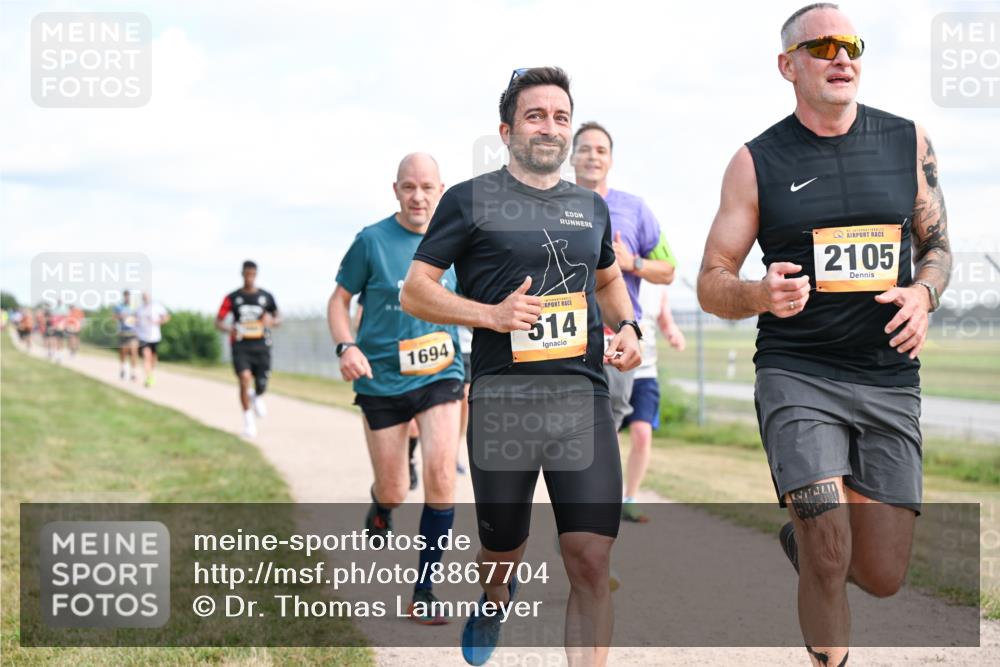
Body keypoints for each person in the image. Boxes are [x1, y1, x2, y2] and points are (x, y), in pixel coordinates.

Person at [696, 5, 951, 665]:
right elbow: (710, 280)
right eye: (822, 47)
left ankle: (802, 541)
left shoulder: (908, 141)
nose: (842, 57)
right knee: (831, 546)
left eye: (852, 45)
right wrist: (759, 293)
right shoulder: (756, 162)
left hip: (889, 375)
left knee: (884, 573)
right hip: (798, 372)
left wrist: (925, 294)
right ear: (789, 65)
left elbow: (939, 247)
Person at [401, 67, 640, 667]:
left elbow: (608, 278)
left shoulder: (589, 207)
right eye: (536, 115)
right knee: (502, 546)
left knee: (589, 557)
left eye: (561, 116)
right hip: (504, 401)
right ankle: (494, 592)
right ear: (507, 129)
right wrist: (490, 314)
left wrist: (629, 325)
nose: (550, 127)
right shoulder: (469, 199)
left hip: (582, 400)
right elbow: (416, 290)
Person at [328, 152, 465, 625]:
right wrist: (346, 346)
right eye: (409, 187)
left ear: (440, 190)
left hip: (440, 374)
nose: (419, 196)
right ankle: (382, 503)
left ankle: (424, 590)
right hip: (381, 379)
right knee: (395, 488)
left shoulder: (454, 241)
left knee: (442, 476)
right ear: (396, 190)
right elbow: (338, 301)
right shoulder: (371, 241)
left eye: (428, 187)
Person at [570, 121, 679, 523]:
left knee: (604, 435)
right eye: (585, 149)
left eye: (601, 150)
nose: (593, 156)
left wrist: (631, 262)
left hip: (616, 339)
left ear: (610, 160)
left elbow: (668, 269)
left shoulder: (635, 209)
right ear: (572, 156)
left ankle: (586, 529)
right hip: (564, 339)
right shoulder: (552, 203)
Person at [617, 286, 686, 523]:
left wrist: (672, 332)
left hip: (644, 374)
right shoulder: (614, 275)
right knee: (607, 437)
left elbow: (664, 318)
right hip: (613, 371)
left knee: (642, 433)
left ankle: (630, 499)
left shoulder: (658, 284)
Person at [216, 261, 280, 437]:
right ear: (242, 274)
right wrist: (230, 329)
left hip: (262, 345)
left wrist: (272, 321)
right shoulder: (232, 297)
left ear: (256, 274)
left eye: (253, 274)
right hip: (240, 345)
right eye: (247, 274)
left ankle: (257, 395)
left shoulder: (266, 297)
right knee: (244, 378)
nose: (250, 277)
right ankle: (248, 422)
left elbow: (278, 318)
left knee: (261, 384)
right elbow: (218, 321)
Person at [136, 292, 170, 388]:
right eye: (143, 297)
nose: (145, 298)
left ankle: (151, 371)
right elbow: (135, 320)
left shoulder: (157, 307)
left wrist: (158, 321)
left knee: (153, 359)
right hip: (143, 337)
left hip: (155, 337)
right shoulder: (139, 309)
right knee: (146, 357)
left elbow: (167, 317)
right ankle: (149, 377)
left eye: (146, 297)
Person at [113, 291, 139, 381]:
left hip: (133, 332)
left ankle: (133, 373)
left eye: (129, 296)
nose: (127, 298)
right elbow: (114, 317)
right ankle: (123, 368)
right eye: (126, 296)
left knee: (133, 352)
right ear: (124, 297)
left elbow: (139, 317)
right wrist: (120, 316)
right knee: (123, 352)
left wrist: (135, 319)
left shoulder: (135, 307)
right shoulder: (119, 306)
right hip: (123, 332)